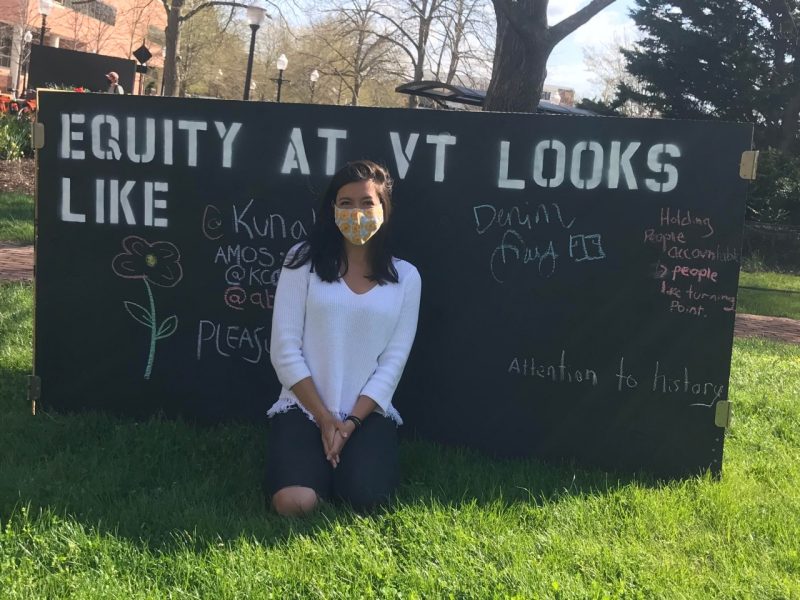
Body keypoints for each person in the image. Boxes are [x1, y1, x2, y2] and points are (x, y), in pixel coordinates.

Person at [266, 160, 422, 516]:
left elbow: (393, 363)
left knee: (366, 498)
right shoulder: (301, 261)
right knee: (294, 503)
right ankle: (315, 469)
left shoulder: (406, 278)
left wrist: (350, 423)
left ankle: (340, 466)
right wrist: (323, 418)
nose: (356, 212)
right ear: (332, 209)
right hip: (304, 408)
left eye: (367, 203)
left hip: (366, 415)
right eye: (346, 203)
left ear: (384, 209)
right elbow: (284, 351)